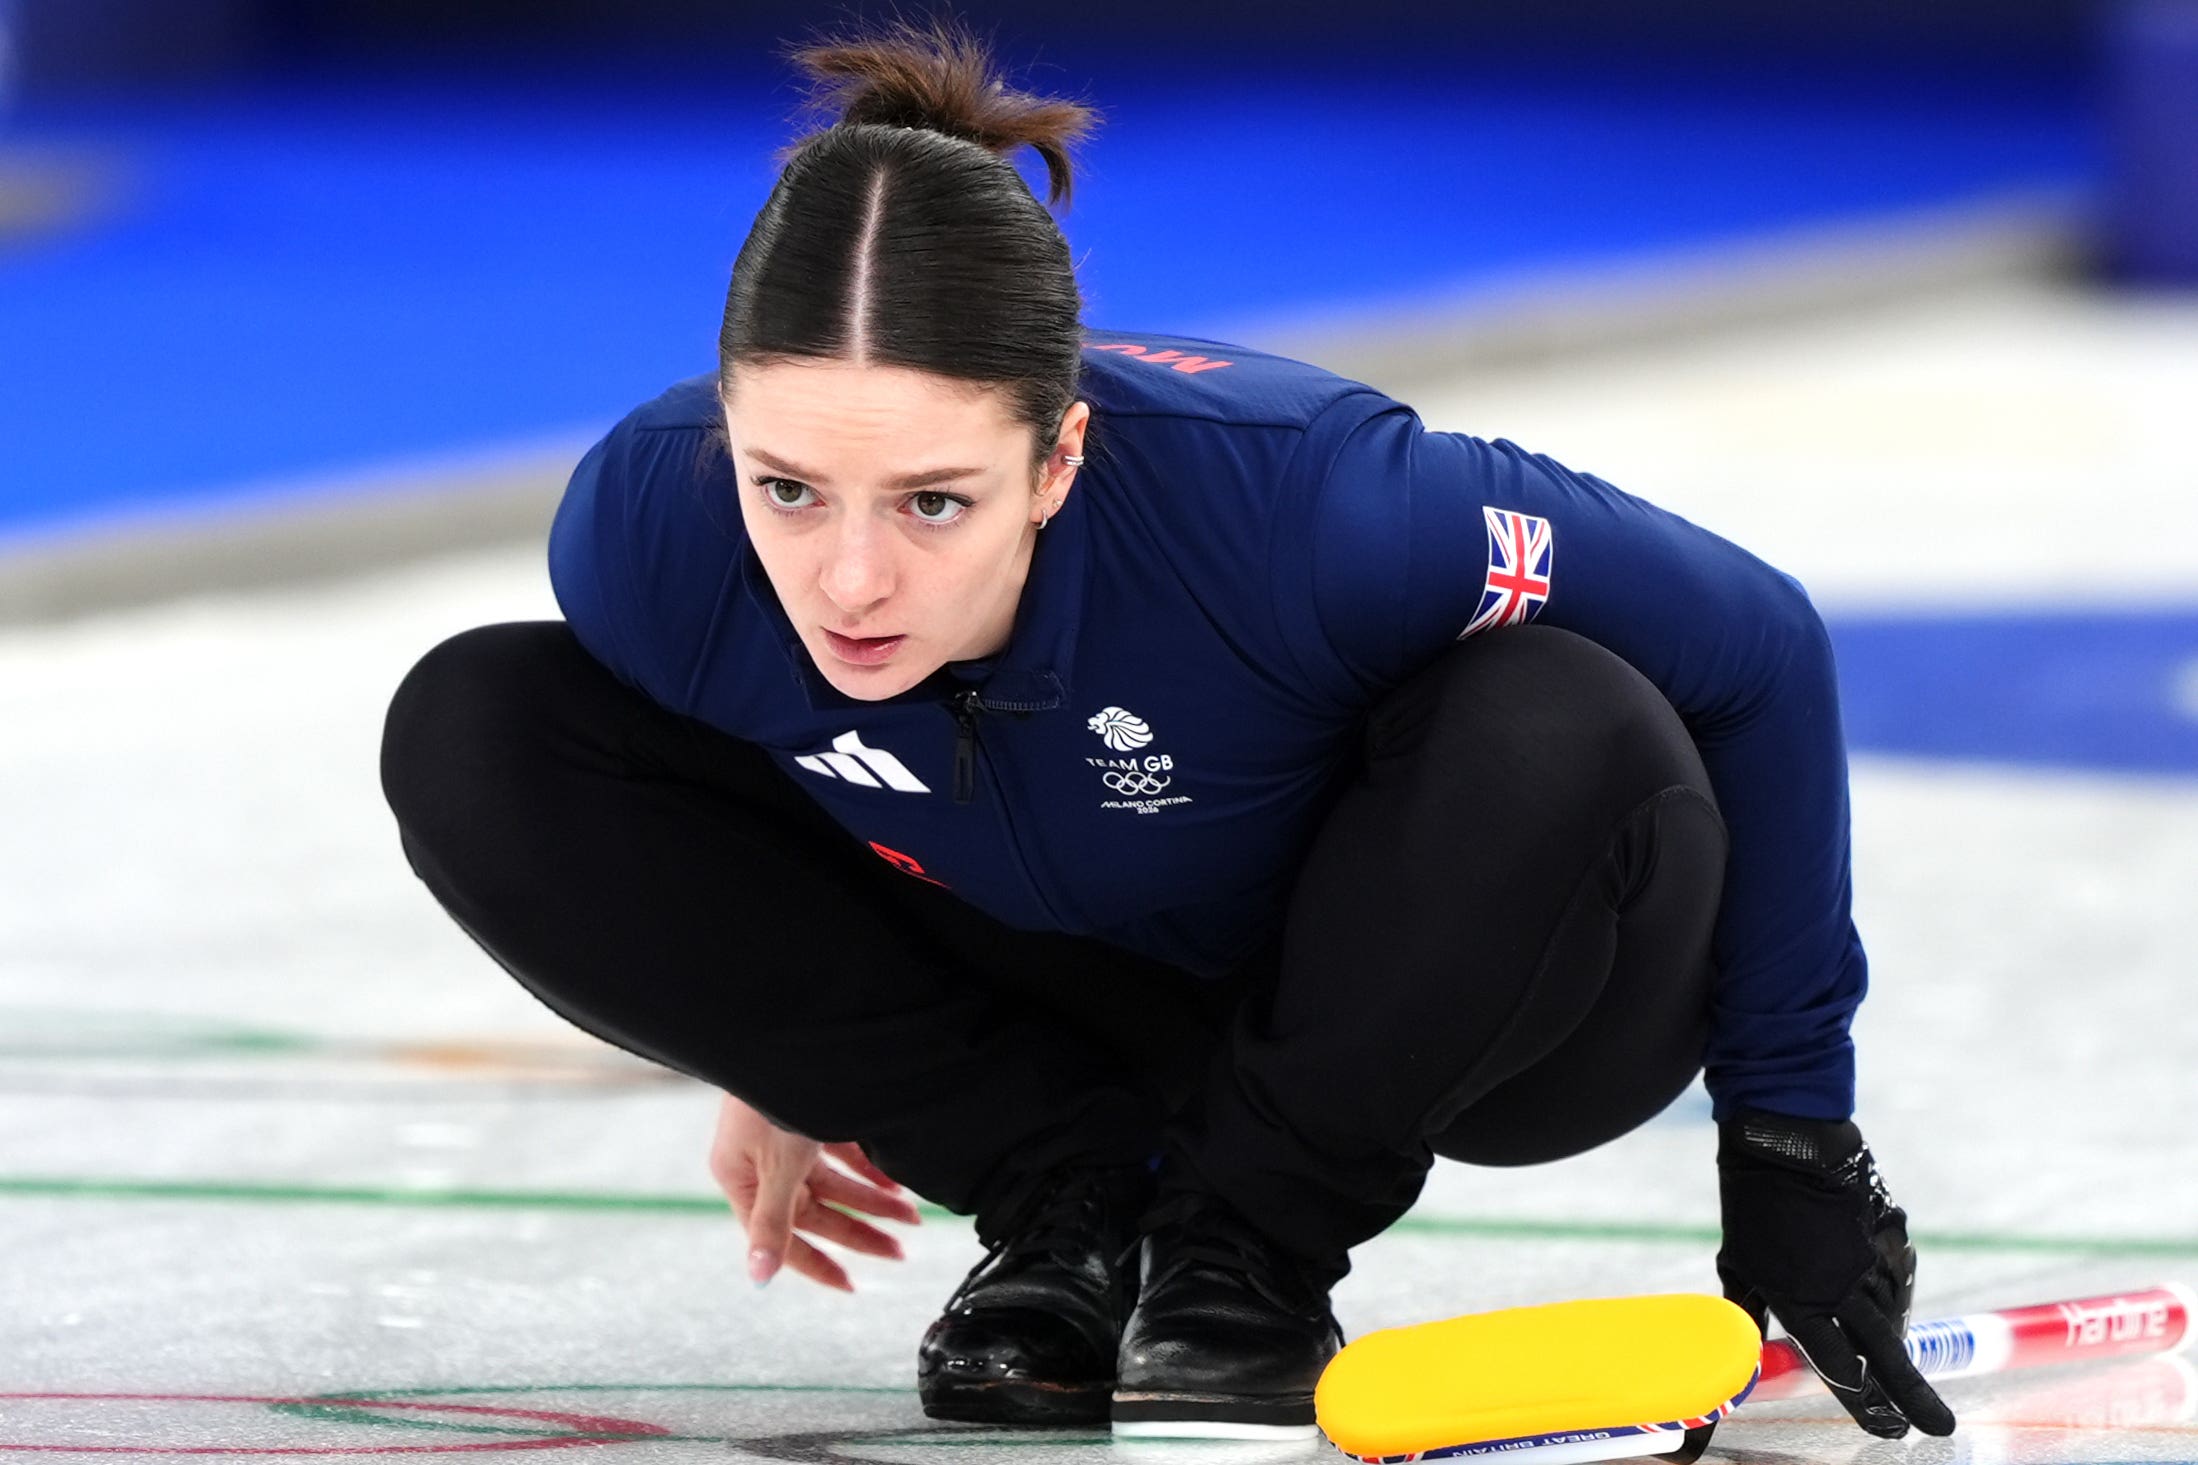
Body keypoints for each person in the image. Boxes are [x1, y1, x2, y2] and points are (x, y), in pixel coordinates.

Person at [378, 15, 1957, 1445]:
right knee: (479, 721)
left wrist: (1791, 1130)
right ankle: (1073, 1202)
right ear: (724, 432)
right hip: (1074, 980)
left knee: (1559, 708)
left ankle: (1248, 1246)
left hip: (1466, 1004)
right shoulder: (647, 530)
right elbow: (725, 792)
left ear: (1058, 457)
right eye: (786, 486)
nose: (846, 577)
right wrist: (773, 1046)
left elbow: (1756, 644)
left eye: (936, 500)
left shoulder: (1313, 508)